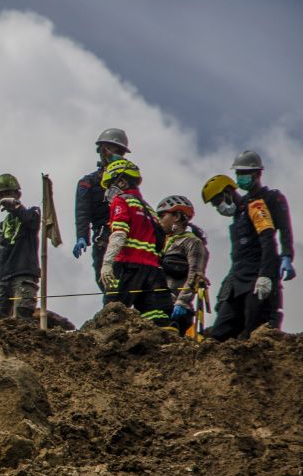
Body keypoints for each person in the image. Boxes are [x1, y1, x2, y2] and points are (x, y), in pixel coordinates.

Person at [202, 173, 281, 340]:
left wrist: (265, 275)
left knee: (253, 331)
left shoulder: (256, 207)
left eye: (217, 202)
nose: (218, 207)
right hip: (237, 283)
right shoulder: (237, 218)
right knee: (218, 334)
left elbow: (268, 241)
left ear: (228, 193)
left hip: (256, 280)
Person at [97, 159, 173, 328]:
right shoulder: (150, 210)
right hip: (153, 271)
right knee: (157, 319)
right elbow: (161, 242)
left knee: (112, 317)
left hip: (127, 267)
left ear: (122, 181)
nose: (109, 190)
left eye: (110, 184)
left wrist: (107, 263)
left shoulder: (122, 200)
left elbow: (119, 234)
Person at [232, 150, 294, 327]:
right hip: (245, 266)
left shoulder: (272, 198)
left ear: (257, 174)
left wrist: (287, 255)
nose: (240, 177)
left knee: (264, 316)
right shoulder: (243, 204)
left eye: (244, 173)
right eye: (238, 173)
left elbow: (285, 229)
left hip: (266, 261)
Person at [0, 173, 40, 320]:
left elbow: (31, 221)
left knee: (22, 314)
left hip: (23, 273)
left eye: (7, 193)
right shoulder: (1, 226)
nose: (3, 198)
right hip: (3, 278)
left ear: (18, 194)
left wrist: (15, 205)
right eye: (0, 195)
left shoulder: (32, 213)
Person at [75, 128, 130, 293]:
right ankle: (113, 307)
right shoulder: (89, 181)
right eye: (107, 149)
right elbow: (82, 211)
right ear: (100, 150)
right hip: (104, 234)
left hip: (129, 234)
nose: (112, 153)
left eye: (118, 151)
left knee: (129, 279)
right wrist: (82, 236)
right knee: (105, 277)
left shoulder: (128, 178)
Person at [156, 195, 209, 336]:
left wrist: (182, 302)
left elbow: (195, 274)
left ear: (177, 217)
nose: (159, 220)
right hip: (158, 305)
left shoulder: (193, 243)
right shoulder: (163, 243)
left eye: (162, 216)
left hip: (177, 310)